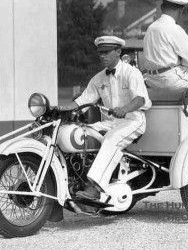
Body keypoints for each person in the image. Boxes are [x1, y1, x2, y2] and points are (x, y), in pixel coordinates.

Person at [62, 36, 151, 200]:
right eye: (100, 53)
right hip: (111, 122)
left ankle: (96, 188)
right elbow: (82, 100)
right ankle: (77, 179)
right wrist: (60, 109)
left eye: (106, 52)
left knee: (111, 139)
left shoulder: (131, 72)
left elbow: (141, 99)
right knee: (82, 132)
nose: (102, 56)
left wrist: (124, 109)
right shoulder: (98, 78)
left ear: (118, 51)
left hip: (133, 120)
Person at [142, 0, 188, 90]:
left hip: (151, 80)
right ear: (180, 11)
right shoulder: (174, 28)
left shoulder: (151, 28)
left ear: (162, 7)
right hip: (170, 79)